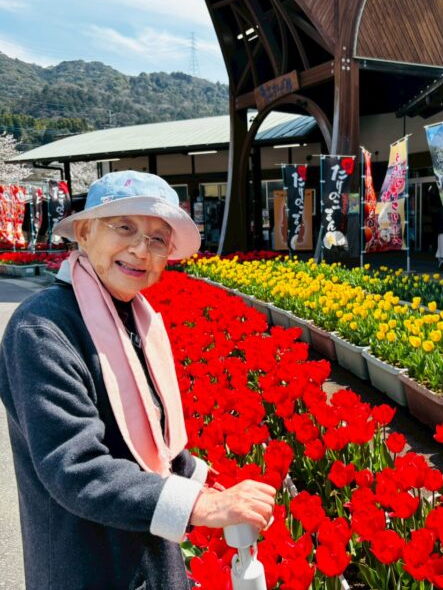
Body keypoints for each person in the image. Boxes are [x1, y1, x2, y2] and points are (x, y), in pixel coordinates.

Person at [0, 171, 276, 590]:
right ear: (85, 232)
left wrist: (208, 482)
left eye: (157, 238)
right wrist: (201, 505)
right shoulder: (43, 328)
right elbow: (75, 467)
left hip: (147, 555)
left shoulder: (130, 316)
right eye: (124, 227)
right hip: (89, 564)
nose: (141, 249)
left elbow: (150, 439)